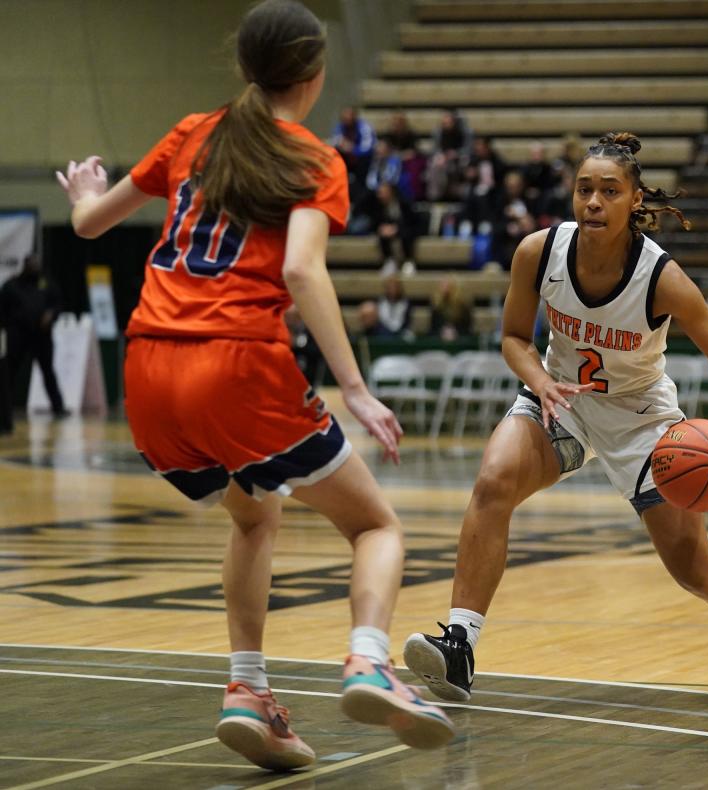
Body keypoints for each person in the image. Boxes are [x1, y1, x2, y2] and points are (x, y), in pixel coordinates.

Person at [55, 0, 453, 769]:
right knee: (376, 528)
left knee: (254, 517)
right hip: (234, 363)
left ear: (244, 67)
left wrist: (80, 192)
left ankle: (248, 692)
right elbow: (302, 270)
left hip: (147, 370)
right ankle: (370, 662)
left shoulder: (190, 132)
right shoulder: (313, 158)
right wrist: (356, 387)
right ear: (313, 74)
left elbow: (89, 226)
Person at [403, 132, 708, 703]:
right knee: (492, 481)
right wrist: (540, 382)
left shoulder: (662, 278)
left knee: (693, 570)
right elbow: (512, 338)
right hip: (561, 398)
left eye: (609, 191)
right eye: (584, 189)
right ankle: (459, 643)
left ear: (634, 201)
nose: (593, 202)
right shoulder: (539, 251)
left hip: (642, 421)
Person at [0, 253, 68, 418]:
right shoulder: (12, 285)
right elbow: (2, 310)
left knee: (47, 371)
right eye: (31, 264)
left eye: (37, 264)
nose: (34, 267)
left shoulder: (47, 284)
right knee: (9, 372)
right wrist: (10, 325)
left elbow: (58, 304)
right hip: (18, 334)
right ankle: (4, 409)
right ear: (25, 266)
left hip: (41, 335)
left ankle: (58, 408)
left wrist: (51, 314)